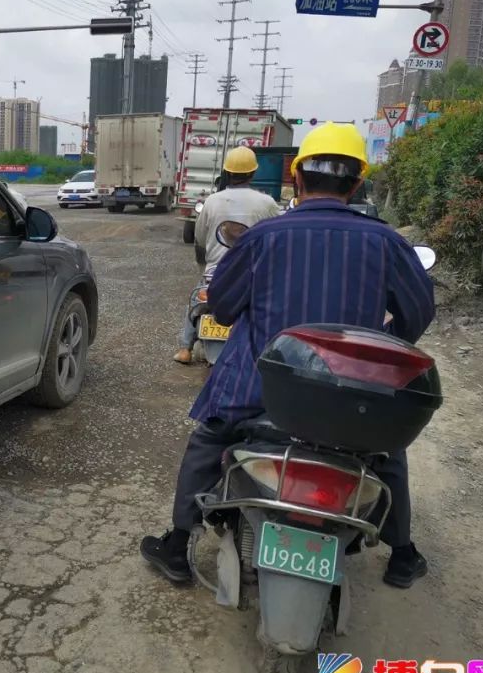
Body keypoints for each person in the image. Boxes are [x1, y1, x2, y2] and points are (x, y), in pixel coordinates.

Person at [144, 123, 435, 589]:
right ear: (357, 182)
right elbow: (417, 315)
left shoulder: (263, 238)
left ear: (297, 179)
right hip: (354, 399)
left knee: (209, 440)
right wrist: (377, 351)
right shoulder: (386, 242)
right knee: (387, 453)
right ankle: (402, 554)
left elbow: (220, 306)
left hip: (257, 392)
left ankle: (177, 546)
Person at [174, 146, 281, 364]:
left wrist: (207, 261)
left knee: (196, 300)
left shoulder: (212, 201)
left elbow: (200, 238)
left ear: (227, 172)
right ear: (253, 172)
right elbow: (275, 236)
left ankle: (185, 348)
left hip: (216, 272)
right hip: (252, 273)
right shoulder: (267, 203)